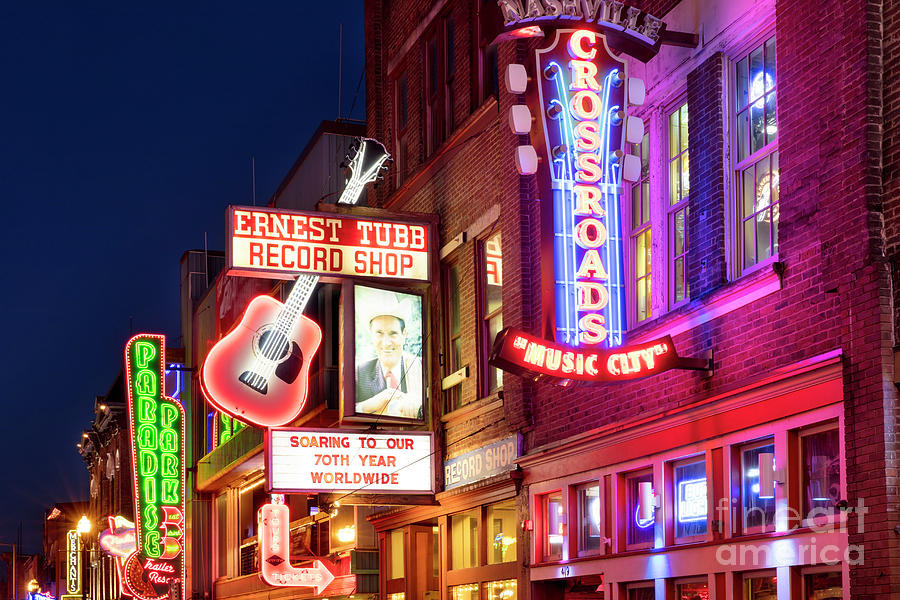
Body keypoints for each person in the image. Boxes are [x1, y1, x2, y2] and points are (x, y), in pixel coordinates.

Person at [355, 293, 422, 418]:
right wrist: (368, 405)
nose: (386, 343)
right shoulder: (359, 373)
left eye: (393, 333)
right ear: (371, 335)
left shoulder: (422, 368)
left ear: (404, 334)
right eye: (379, 333)